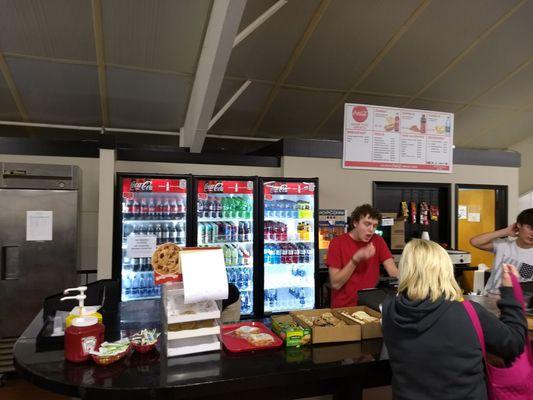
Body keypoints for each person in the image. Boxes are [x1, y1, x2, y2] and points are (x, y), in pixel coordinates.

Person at [381, 239, 527, 400]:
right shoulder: (468, 312)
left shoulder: (389, 310)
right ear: (444, 269)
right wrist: (510, 294)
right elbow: (514, 343)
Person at [326, 204, 398, 307]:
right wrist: (355, 259)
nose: (371, 229)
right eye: (367, 224)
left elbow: (393, 272)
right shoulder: (337, 243)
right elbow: (336, 284)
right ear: (355, 223)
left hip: (370, 307)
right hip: (343, 308)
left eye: (374, 226)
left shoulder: (378, 241)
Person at [470, 208, 533, 296]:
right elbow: (475, 242)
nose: (532, 233)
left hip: (516, 304)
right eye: (530, 228)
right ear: (519, 225)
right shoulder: (503, 245)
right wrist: (505, 231)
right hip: (490, 299)